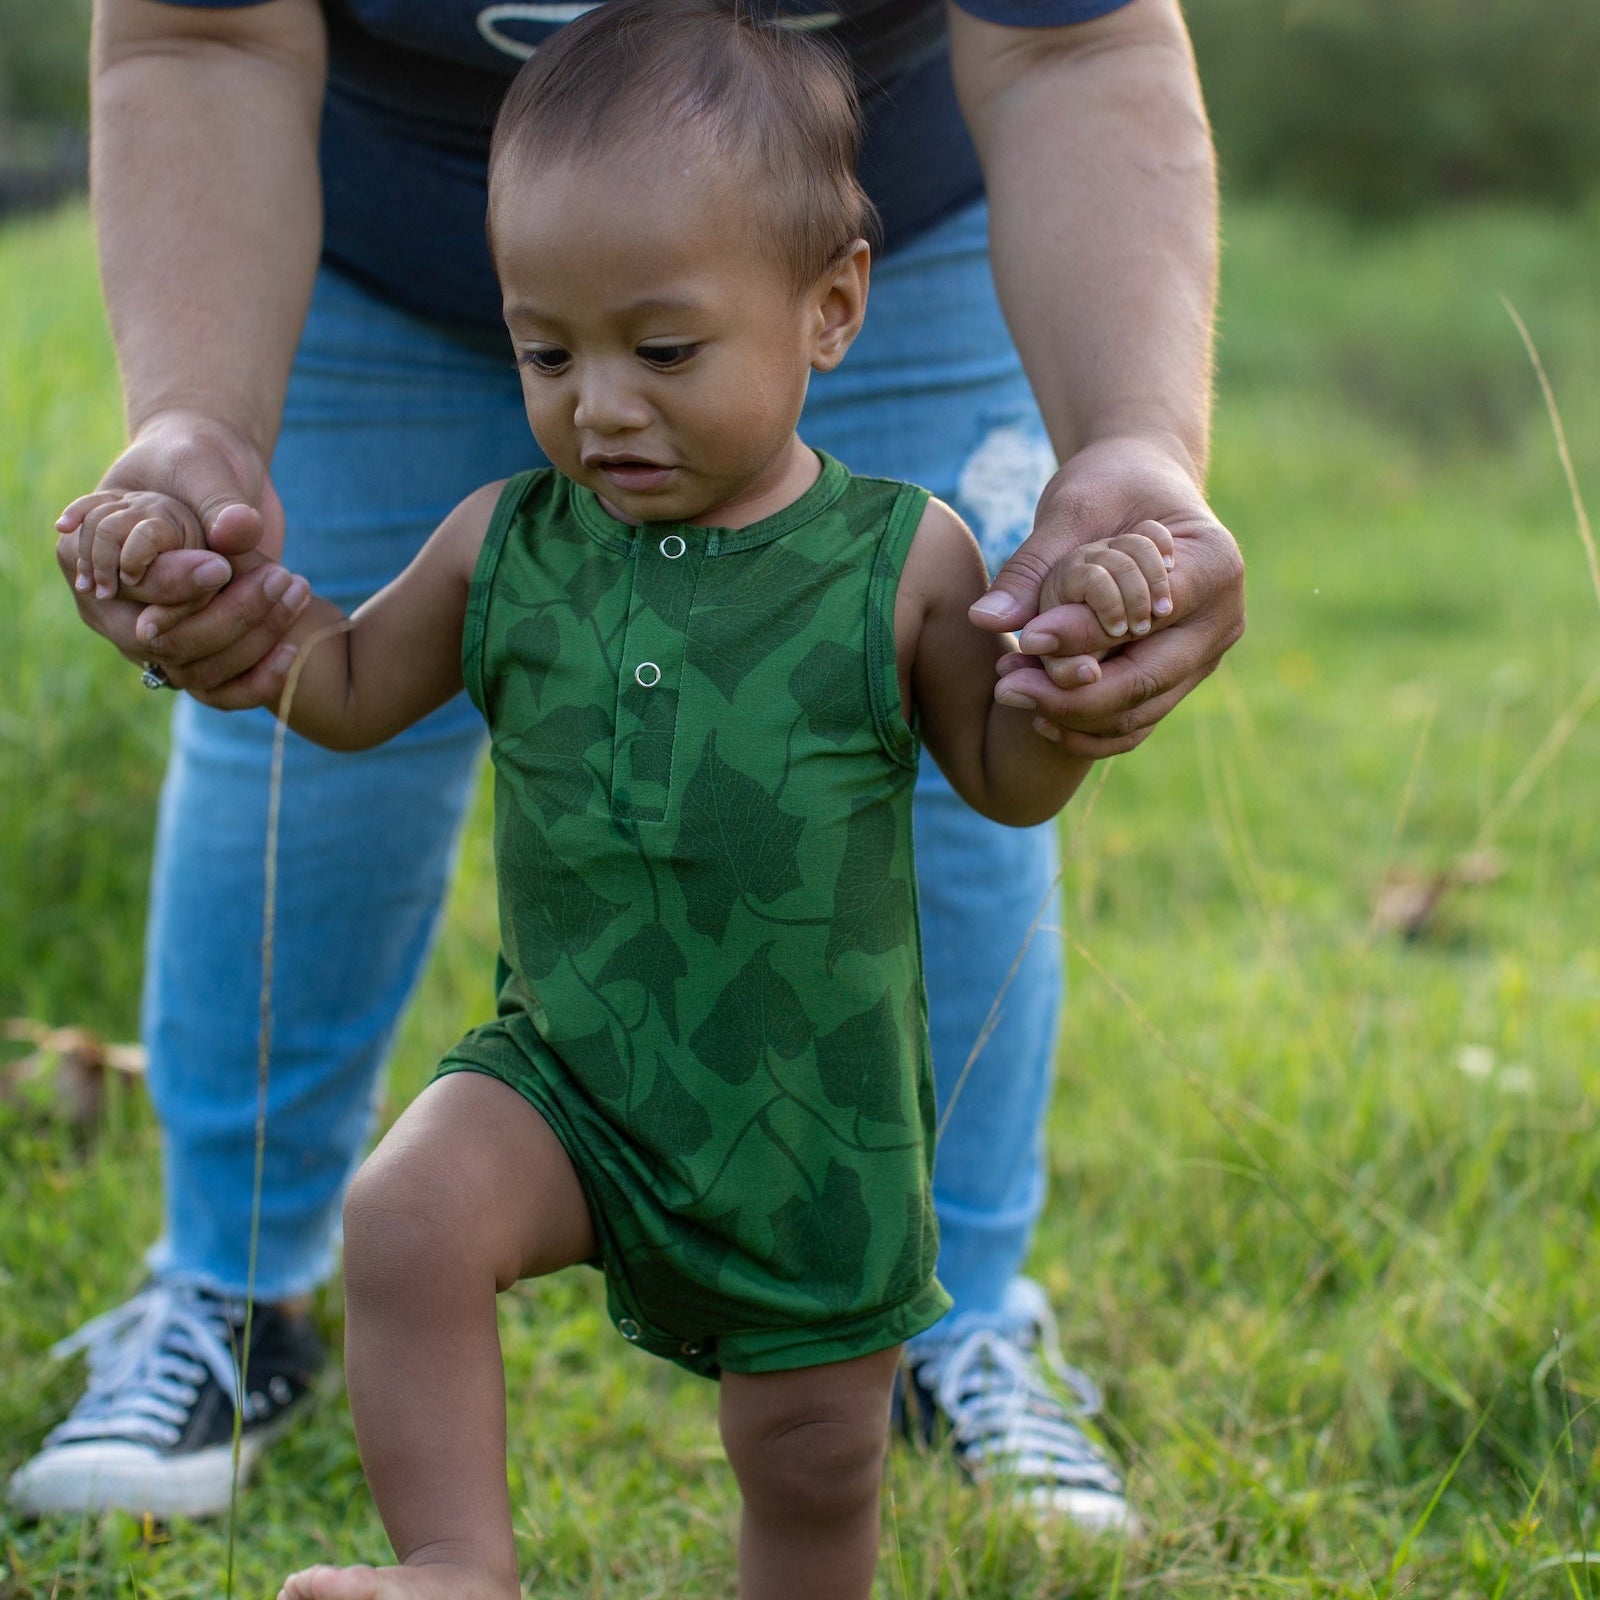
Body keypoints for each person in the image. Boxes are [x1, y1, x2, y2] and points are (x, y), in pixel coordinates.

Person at [12, 0, 1242, 1535]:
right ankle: (229, 1293)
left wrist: (1111, 524)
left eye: (656, 356)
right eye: (556, 361)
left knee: (806, 1456)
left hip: (856, 199)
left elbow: (1076, 45)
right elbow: (203, 37)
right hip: (380, 218)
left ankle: (955, 1320)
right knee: (319, 855)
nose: (599, 408)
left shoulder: (900, 553)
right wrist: (221, 558)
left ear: (832, 312)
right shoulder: (500, 545)